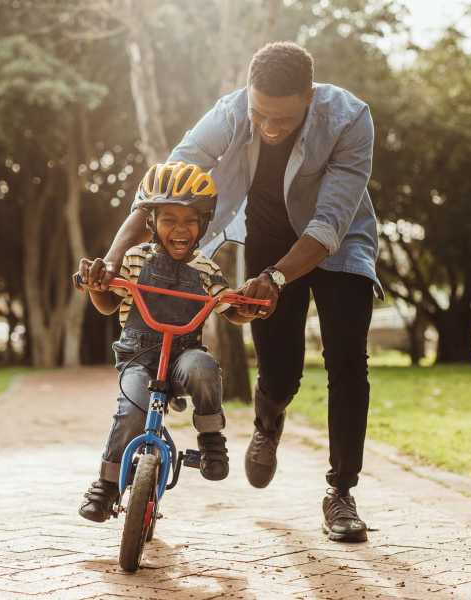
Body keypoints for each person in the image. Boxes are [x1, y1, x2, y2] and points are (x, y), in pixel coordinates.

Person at [83, 42, 383, 542]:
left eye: (283, 120)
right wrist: (113, 259)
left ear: (309, 96)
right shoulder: (229, 112)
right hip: (269, 237)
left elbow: (330, 222)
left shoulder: (350, 119)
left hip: (339, 242)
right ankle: (269, 421)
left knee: (348, 362)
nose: (268, 128)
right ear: (249, 94)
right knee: (281, 371)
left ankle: (341, 493)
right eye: (260, 114)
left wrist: (278, 279)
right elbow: (164, 186)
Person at [76, 162, 256, 523]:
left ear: (203, 224)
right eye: (169, 219)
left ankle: (210, 439)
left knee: (204, 369)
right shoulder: (132, 259)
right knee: (133, 409)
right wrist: (97, 287)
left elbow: (229, 308)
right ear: (151, 223)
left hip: (182, 356)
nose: (180, 229)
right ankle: (107, 484)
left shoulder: (206, 269)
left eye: (190, 220)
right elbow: (109, 302)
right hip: (138, 357)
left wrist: (249, 307)